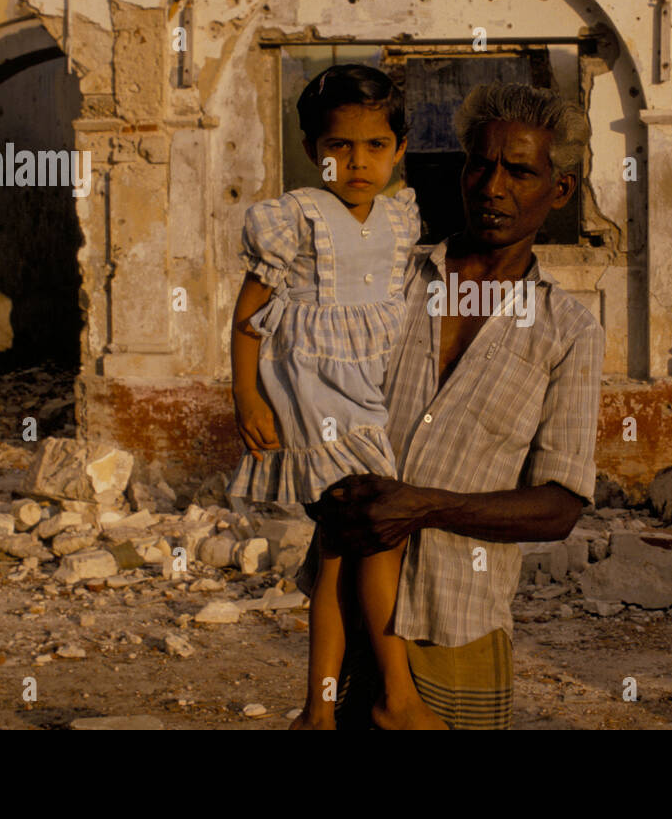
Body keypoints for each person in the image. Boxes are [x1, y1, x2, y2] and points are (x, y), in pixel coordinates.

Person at [299, 81, 605, 729]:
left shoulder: (568, 330)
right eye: (480, 164)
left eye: (519, 170)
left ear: (560, 190)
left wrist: (423, 506)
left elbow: (559, 506)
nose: (493, 186)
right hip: (351, 617)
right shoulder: (389, 281)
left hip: (460, 625)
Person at [227, 64, 447, 730]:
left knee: (339, 552)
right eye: (338, 146)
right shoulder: (295, 217)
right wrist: (246, 396)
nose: (357, 161)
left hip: (378, 396)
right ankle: (395, 698)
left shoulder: (400, 215)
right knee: (376, 536)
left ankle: (319, 710)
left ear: (400, 149)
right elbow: (247, 315)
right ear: (312, 150)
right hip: (316, 397)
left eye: (375, 145)